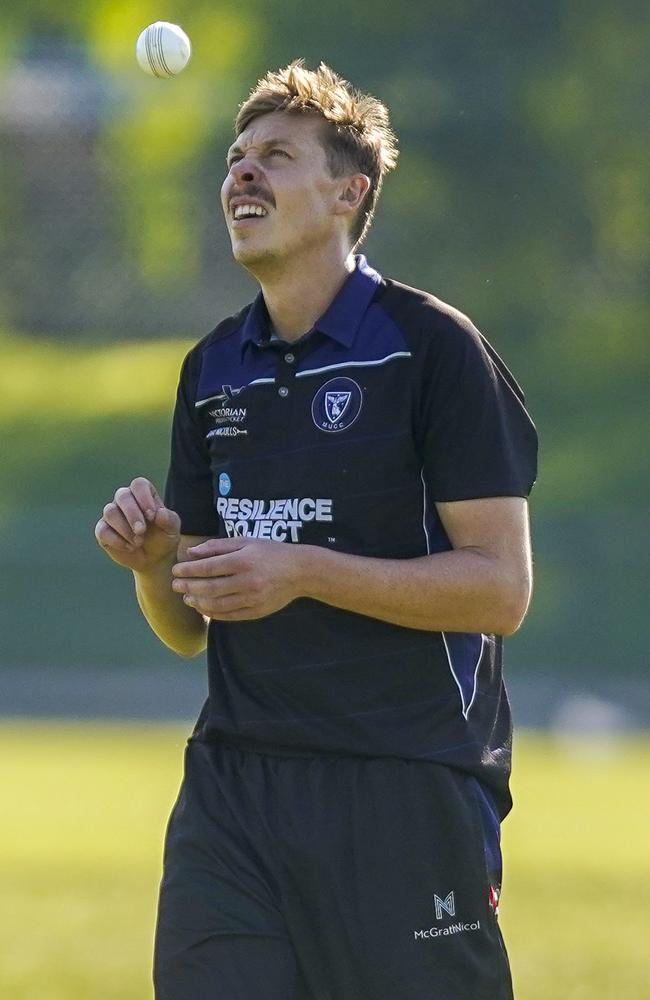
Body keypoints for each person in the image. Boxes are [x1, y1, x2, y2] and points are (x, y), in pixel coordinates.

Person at [95, 60, 537, 1000]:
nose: (242, 174)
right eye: (236, 157)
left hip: (405, 785)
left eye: (276, 157)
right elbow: (189, 628)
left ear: (350, 193)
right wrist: (153, 565)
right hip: (235, 794)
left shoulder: (434, 349)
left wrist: (303, 569)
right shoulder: (212, 368)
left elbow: (501, 592)